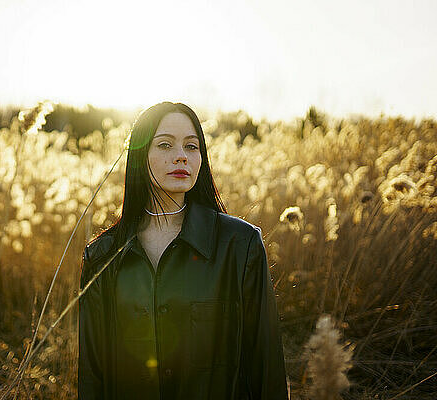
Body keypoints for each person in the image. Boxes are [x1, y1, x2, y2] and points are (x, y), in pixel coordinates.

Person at [78, 102, 288, 400]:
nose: (181, 156)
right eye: (165, 145)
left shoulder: (241, 245)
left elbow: (266, 369)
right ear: (139, 156)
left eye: (192, 147)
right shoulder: (101, 256)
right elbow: (92, 375)